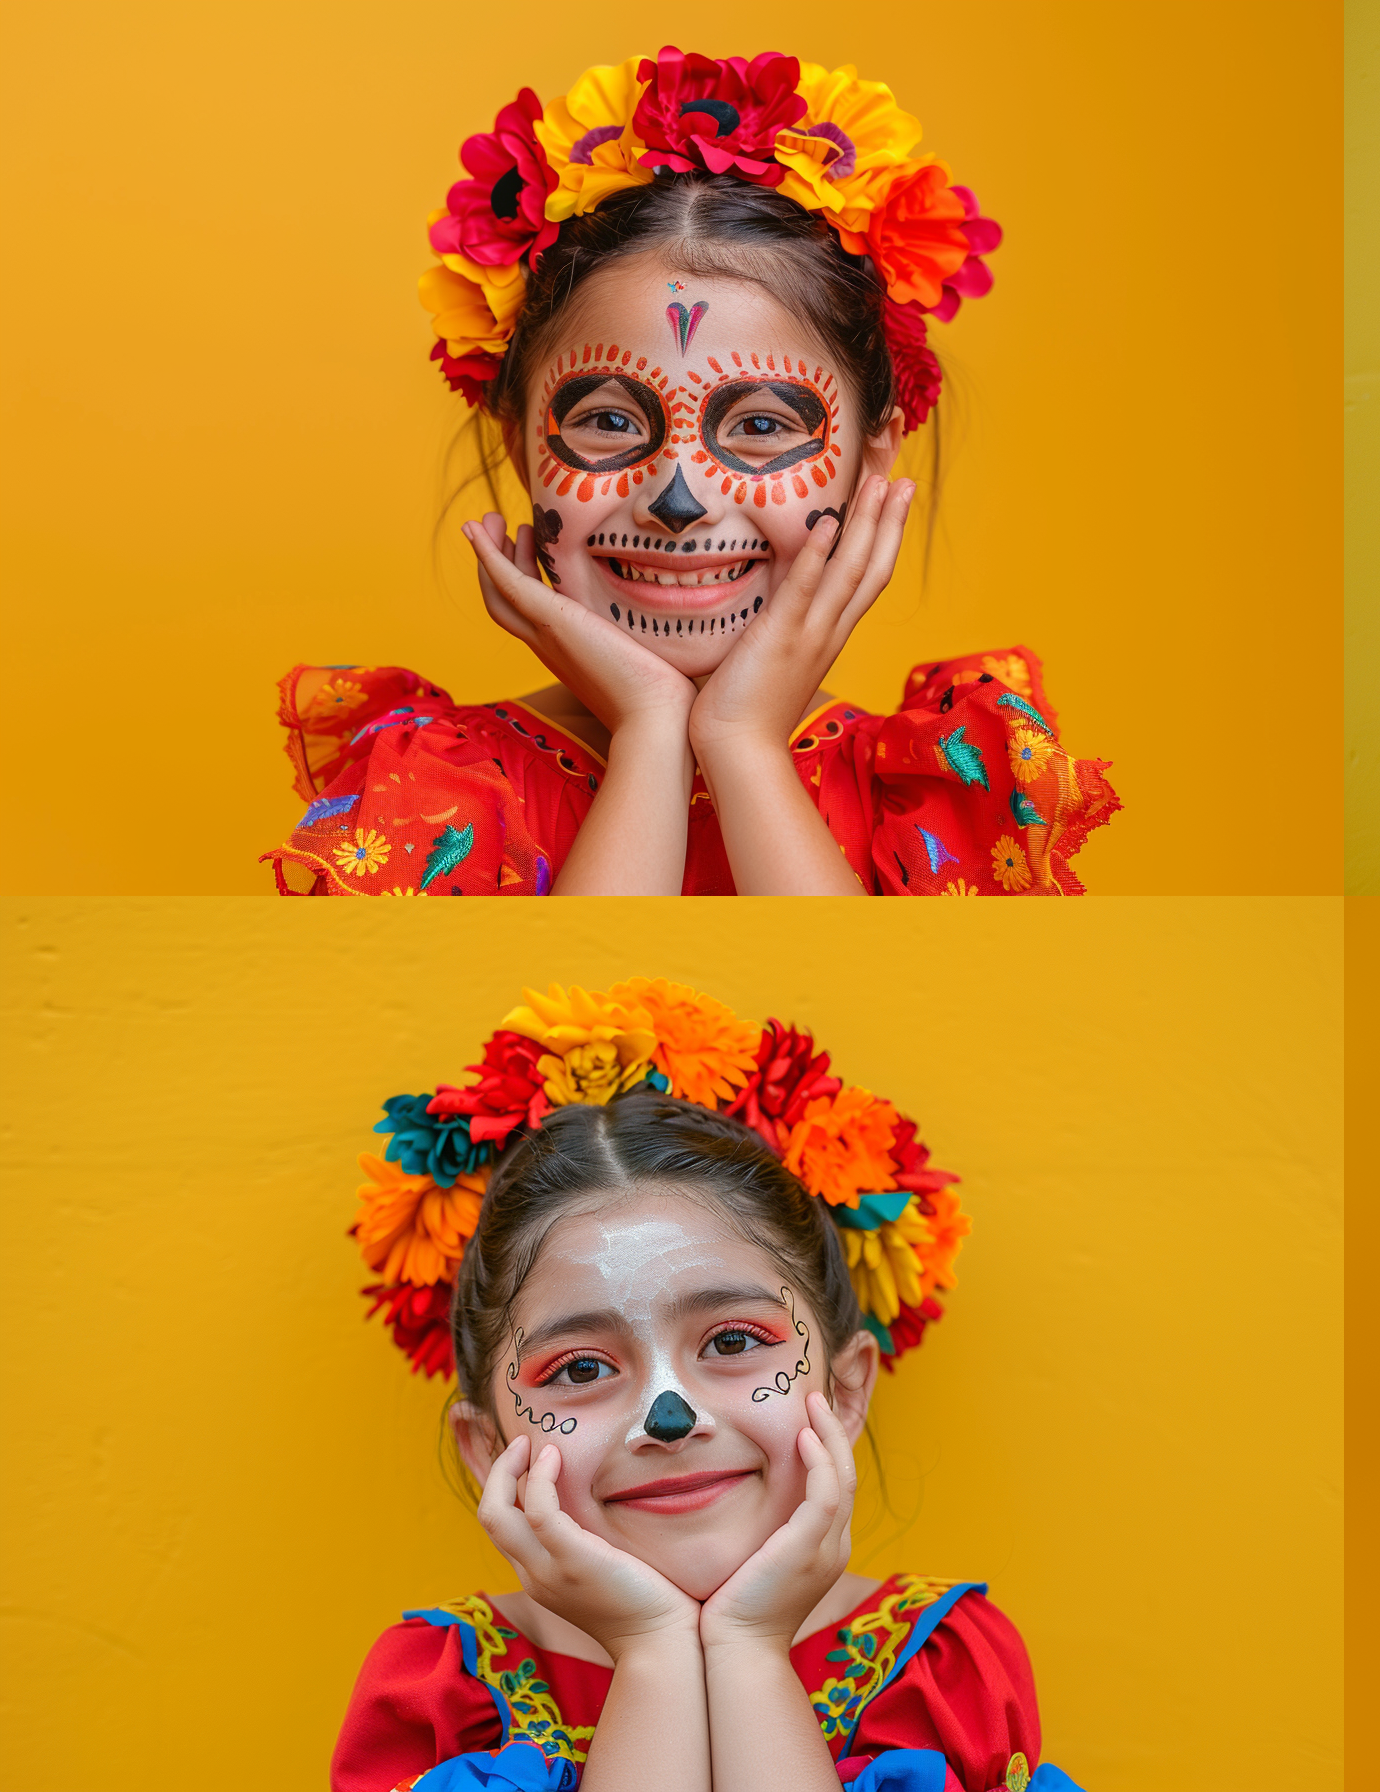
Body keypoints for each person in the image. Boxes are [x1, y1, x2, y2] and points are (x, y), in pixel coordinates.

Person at [269, 48, 1118, 895]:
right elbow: (563, 1023)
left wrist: (742, 743)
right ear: (517, 440)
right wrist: (648, 731)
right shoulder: (434, 799)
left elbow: (869, 1024)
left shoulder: (933, 796)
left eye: (758, 425)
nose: (678, 499)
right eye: (606, 421)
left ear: (870, 460)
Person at [334, 978, 1083, 1790]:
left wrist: (750, 1651)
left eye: (732, 1341)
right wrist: (654, 1650)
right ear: (488, 1449)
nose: (668, 1416)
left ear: (845, 1388)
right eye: (581, 1369)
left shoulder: (947, 1673)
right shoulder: (435, 1698)